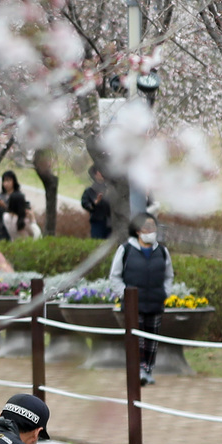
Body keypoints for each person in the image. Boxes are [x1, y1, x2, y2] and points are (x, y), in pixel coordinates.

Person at [109, 212, 174, 387]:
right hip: (133, 305)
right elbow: (115, 276)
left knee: (152, 340)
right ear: (137, 230)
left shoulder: (162, 251)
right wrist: (126, 295)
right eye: (147, 226)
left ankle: (148, 370)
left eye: (153, 226)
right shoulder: (126, 250)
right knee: (136, 340)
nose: (150, 230)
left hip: (155, 302)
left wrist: (165, 293)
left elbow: (169, 275)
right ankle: (138, 371)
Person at [0, 171, 33, 241]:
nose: (6, 184)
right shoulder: (0, 196)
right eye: (4, 181)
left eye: (8, 181)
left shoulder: (18, 196)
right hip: (2, 230)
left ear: (13, 181)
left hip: (15, 228)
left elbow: (20, 212)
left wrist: (4, 206)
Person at [81, 166, 112, 240]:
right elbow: (85, 204)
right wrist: (95, 203)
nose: (102, 174)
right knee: (97, 242)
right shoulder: (90, 190)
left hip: (111, 222)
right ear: (95, 175)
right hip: (97, 222)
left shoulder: (110, 189)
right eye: (100, 171)